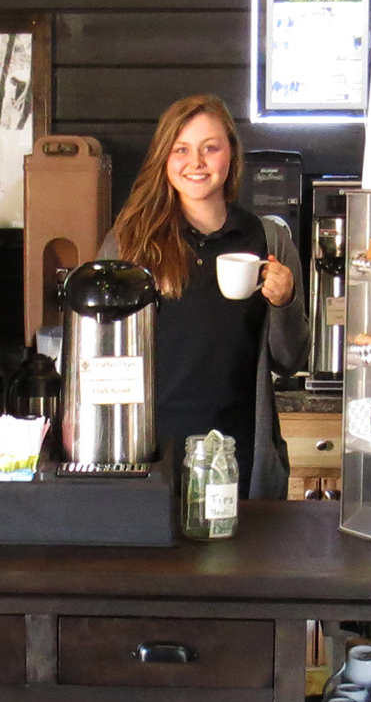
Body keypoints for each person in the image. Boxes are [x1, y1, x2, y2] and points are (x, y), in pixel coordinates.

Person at [99, 94, 308, 498]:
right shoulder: (128, 244)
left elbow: (289, 361)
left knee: (238, 560)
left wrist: (284, 303)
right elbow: (101, 358)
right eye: (181, 150)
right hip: (149, 453)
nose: (196, 162)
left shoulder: (270, 239)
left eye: (210, 148)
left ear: (231, 154)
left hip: (239, 454)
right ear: (164, 158)